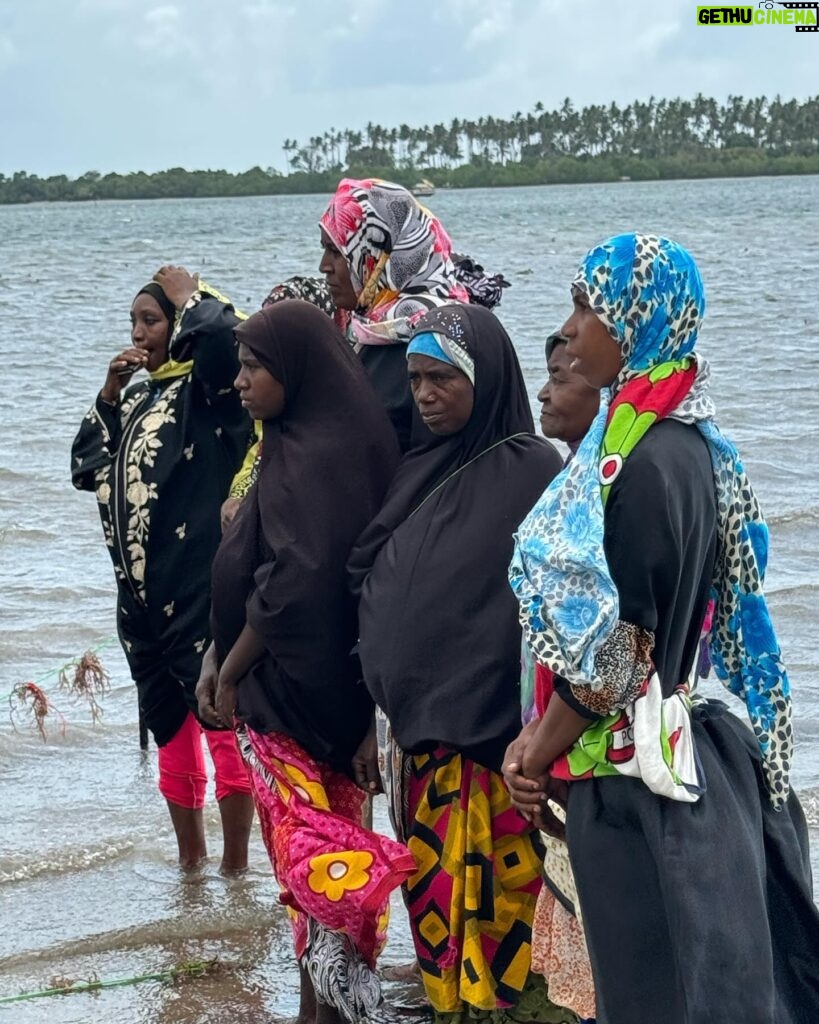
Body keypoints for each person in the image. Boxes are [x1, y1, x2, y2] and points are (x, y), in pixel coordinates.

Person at [507, 234, 819, 1024]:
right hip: (668, 745)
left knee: (646, 991)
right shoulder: (684, 445)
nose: (572, 331)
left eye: (589, 307)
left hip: (628, 784)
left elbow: (617, 654)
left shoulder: (640, 464)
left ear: (636, 320)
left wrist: (534, 751)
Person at [348, 304, 575, 1024]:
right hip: (420, 752)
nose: (424, 394)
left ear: (486, 378)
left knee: (507, 925)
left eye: (443, 378)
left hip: (496, 750)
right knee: (438, 917)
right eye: (415, 379)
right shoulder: (417, 466)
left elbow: (551, 611)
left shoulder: (535, 467)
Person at [198, 300, 414, 1024]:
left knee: (312, 858)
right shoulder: (304, 440)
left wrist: (229, 672)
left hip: (295, 694)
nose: (239, 382)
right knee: (318, 855)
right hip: (312, 690)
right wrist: (213, 648)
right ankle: (325, 1003)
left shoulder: (321, 455)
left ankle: (334, 997)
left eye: (254, 367)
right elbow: (252, 562)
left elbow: (296, 582)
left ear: (294, 369)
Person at [71, 266, 255, 872]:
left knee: (218, 723)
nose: (138, 333)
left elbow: (228, 336)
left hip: (197, 591)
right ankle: (190, 870)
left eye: (151, 320)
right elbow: (83, 468)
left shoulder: (212, 394)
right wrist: (106, 394)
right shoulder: (135, 396)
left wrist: (188, 295)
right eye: (132, 322)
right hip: (139, 605)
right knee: (171, 729)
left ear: (177, 327)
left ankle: (234, 870)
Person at [319, 178, 475, 453]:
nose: (324, 267)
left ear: (379, 253)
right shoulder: (365, 329)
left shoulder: (435, 337)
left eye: (336, 252)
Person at [220, 274, 340, 531]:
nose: (239, 382)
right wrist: (237, 500)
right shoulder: (275, 421)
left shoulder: (332, 443)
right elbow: (255, 461)